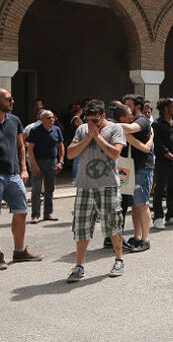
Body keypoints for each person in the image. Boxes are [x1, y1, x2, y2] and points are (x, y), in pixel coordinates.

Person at [66, 99, 125, 281]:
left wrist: (98, 137)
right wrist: (89, 137)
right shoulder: (82, 130)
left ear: (103, 116)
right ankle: (79, 266)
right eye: (88, 120)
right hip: (85, 185)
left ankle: (118, 260)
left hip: (108, 184)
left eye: (95, 121)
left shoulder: (115, 129)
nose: (91, 124)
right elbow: (70, 153)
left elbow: (115, 153)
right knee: (82, 226)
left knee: (112, 223)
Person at [0, 89, 43, 270]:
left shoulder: (14, 121)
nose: (12, 101)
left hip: (13, 174)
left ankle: (19, 251)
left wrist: (23, 169)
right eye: (9, 98)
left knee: (21, 211)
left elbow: (21, 146)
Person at [118, 96, 155, 252]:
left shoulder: (142, 121)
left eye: (129, 105)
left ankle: (145, 240)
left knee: (142, 204)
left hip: (141, 168)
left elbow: (130, 130)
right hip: (129, 167)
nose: (126, 108)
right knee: (135, 205)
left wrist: (104, 123)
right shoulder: (132, 121)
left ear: (137, 107)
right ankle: (137, 236)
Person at [152, 98, 173, 229]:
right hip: (163, 162)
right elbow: (159, 146)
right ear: (166, 109)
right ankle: (158, 217)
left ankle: (171, 214)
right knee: (160, 190)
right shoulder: (157, 124)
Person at [26, 110, 64, 223]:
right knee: (36, 189)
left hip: (52, 162)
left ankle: (48, 213)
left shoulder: (56, 130)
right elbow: (30, 149)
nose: (51, 120)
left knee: (50, 189)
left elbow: (61, 146)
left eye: (53, 117)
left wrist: (61, 162)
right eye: (48, 118)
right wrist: (34, 165)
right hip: (38, 162)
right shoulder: (34, 131)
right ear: (41, 119)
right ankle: (35, 215)